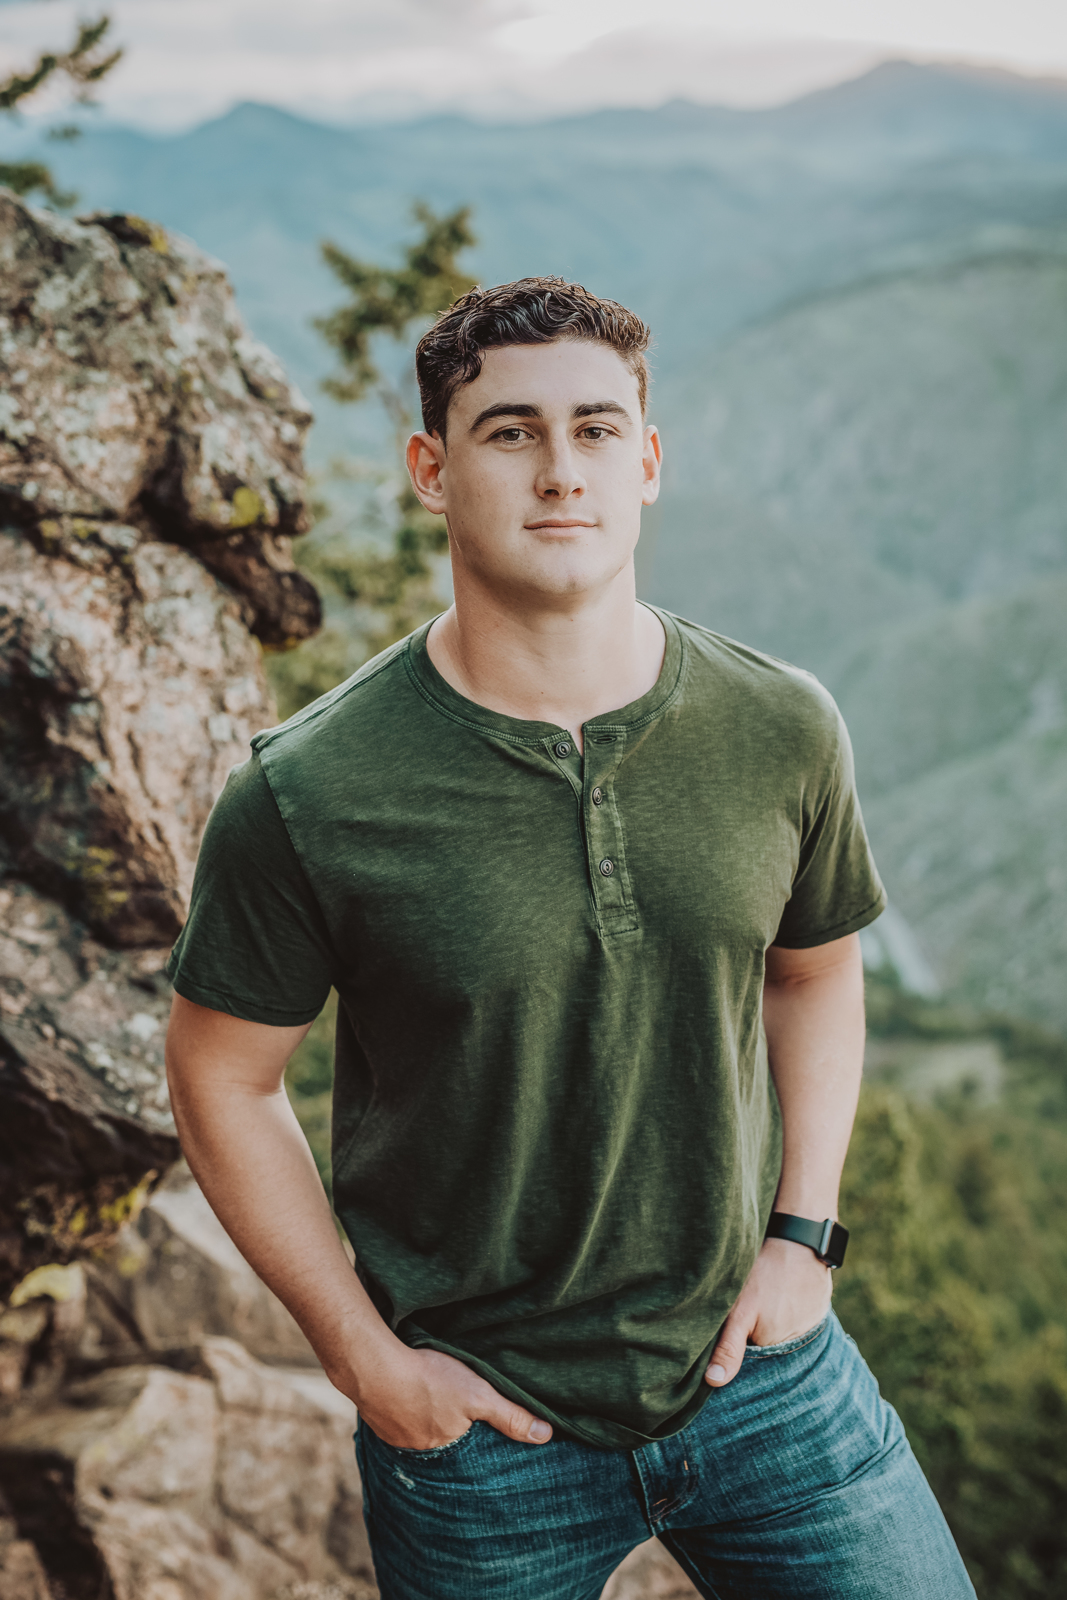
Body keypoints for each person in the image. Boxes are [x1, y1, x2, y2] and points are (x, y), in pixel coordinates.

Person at [165, 278, 975, 1599]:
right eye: (509, 432)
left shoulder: (782, 727)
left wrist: (804, 1238)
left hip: (765, 1378)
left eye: (598, 430)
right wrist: (367, 1362)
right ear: (433, 468)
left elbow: (816, 968)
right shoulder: (310, 793)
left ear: (646, 464)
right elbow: (220, 1077)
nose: (560, 470)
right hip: (482, 1441)